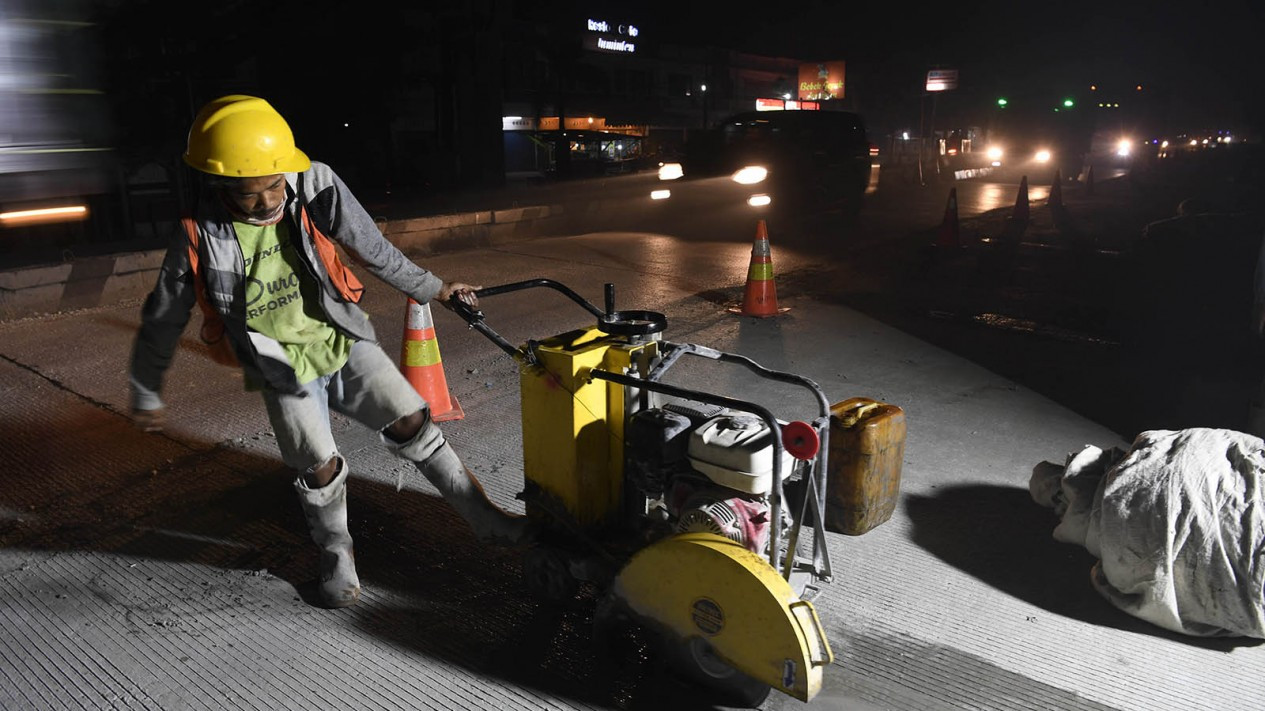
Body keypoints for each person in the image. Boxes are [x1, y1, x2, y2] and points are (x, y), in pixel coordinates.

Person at [129, 95, 527, 608]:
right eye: (252, 193)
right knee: (318, 466)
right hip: (279, 364)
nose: (269, 199)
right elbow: (163, 317)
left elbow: (373, 248)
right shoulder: (197, 234)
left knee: (411, 420)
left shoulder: (314, 184)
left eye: (276, 183)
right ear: (219, 182)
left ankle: (486, 519)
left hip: (340, 336)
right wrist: (145, 389)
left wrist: (436, 288)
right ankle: (337, 553)